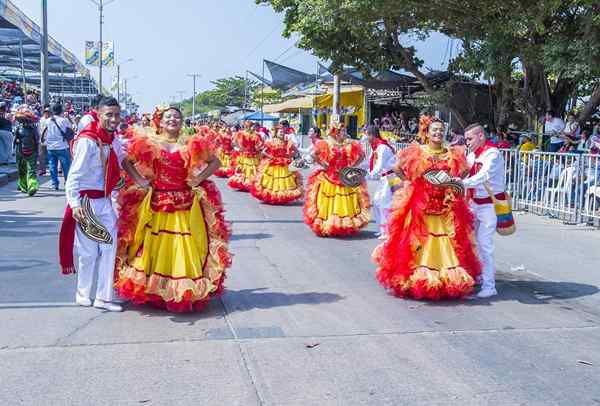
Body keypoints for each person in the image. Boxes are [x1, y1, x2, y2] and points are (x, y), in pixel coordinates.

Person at [114, 105, 231, 313]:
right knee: (153, 247)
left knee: (183, 247)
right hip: (157, 203)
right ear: (160, 120)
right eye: (168, 117)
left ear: (182, 120)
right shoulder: (149, 142)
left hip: (185, 204)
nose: (172, 120)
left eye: (176, 117)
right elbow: (127, 162)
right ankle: (156, 290)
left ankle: (181, 290)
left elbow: (215, 162)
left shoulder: (191, 143)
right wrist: (140, 181)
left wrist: (198, 179)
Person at [373, 118, 481, 300]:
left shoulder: (453, 153)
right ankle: (418, 280)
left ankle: (445, 281)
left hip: (445, 205)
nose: (438, 133)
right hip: (420, 204)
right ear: (426, 132)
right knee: (416, 241)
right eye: (434, 130)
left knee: (450, 241)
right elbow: (397, 167)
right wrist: (408, 181)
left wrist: (451, 183)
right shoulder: (417, 151)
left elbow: (463, 171)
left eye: (441, 130)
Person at [60, 97, 132, 312]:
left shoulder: (113, 140)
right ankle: (82, 293)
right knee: (88, 253)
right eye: (109, 114)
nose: (113, 119)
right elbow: (73, 176)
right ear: (98, 114)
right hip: (86, 203)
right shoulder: (88, 141)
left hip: (105, 202)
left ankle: (103, 297)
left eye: (117, 115)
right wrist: (74, 205)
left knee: (109, 250)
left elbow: (123, 159)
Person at [462, 123, 506, 298]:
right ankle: (479, 275)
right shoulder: (472, 154)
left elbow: (483, 176)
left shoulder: (492, 154)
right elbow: (465, 172)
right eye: (466, 139)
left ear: (481, 136)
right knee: (471, 242)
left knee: (484, 244)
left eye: (470, 138)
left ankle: (490, 285)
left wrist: (460, 183)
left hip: (489, 206)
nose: (467, 142)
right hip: (474, 203)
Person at [304, 124, 370, 237]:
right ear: (336, 132)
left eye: (345, 130)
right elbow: (313, 155)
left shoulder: (350, 144)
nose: (345, 133)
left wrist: (353, 166)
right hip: (330, 177)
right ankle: (328, 224)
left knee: (344, 203)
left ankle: (343, 225)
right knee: (328, 202)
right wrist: (323, 164)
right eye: (343, 131)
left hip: (345, 178)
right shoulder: (326, 143)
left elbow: (362, 155)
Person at [251, 127, 303, 204]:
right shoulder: (271, 141)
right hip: (273, 164)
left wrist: (288, 156)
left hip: (284, 163)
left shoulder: (287, 142)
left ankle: (282, 197)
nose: (282, 133)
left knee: (284, 181)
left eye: (283, 132)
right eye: (280, 132)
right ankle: (272, 196)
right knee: (271, 181)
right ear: (276, 133)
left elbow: (296, 150)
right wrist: (271, 157)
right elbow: (263, 152)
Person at [363, 126, 396, 239]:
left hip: (390, 177)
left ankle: (386, 231)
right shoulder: (376, 147)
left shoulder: (382, 147)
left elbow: (379, 165)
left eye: (367, 135)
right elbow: (369, 163)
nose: (366, 137)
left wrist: (368, 176)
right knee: (376, 202)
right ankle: (380, 229)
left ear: (372, 135)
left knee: (384, 203)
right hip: (384, 178)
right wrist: (358, 168)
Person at [43, 103, 72, 190]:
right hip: (62, 146)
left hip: (50, 147)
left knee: (52, 166)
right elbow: (70, 130)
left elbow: (45, 132)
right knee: (66, 166)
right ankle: (68, 183)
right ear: (61, 110)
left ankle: (54, 183)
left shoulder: (47, 120)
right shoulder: (64, 120)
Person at [228, 121, 264, 192]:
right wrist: (240, 148)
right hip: (245, 155)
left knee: (252, 169)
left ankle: (250, 183)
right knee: (245, 169)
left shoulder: (256, 134)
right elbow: (234, 142)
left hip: (253, 155)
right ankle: (244, 183)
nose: (252, 128)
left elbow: (260, 144)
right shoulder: (241, 133)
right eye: (250, 126)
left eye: (251, 126)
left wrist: (258, 148)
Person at [13, 106, 40, 196]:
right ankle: (25, 185)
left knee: (29, 170)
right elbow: (15, 140)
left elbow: (37, 141)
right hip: (21, 151)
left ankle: (31, 186)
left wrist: (37, 152)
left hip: (29, 151)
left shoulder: (33, 129)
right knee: (23, 169)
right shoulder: (18, 128)